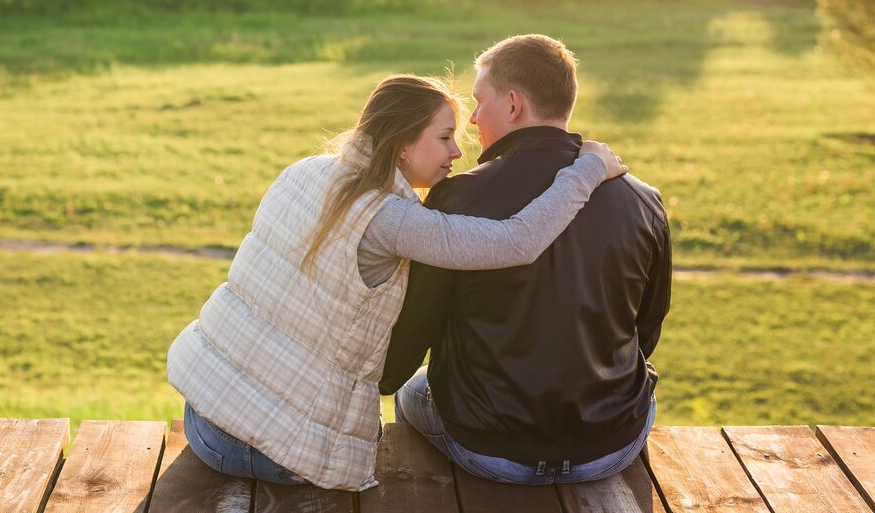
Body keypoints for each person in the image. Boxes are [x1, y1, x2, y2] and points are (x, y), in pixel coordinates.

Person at [166, 73, 626, 491]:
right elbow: (517, 243)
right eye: (445, 137)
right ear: (404, 144)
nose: (457, 152)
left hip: (206, 417)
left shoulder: (302, 172)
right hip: (277, 453)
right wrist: (587, 170)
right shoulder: (389, 219)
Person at [380, 35, 671, 485]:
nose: (472, 118)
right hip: (611, 446)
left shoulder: (458, 196)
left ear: (513, 104)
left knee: (408, 388)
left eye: (479, 102)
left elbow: (418, 331)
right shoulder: (643, 199)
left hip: (489, 449)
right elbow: (646, 330)